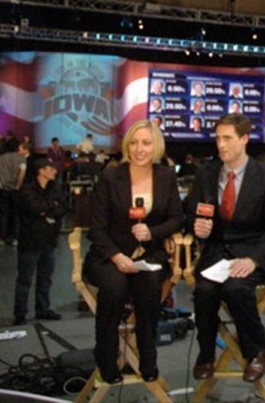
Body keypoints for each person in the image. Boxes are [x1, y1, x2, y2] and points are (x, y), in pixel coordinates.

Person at [188, 113, 265, 383]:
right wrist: (198, 227)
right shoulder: (206, 173)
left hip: (254, 252)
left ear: (244, 139)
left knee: (236, 289)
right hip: (216, 252)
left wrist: (254, 260)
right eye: (218, 138)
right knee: (205, 291)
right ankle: (206, 354)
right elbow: (190, 213)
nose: (220, 145)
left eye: (227, 138)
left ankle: (256, 351)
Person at [84, 120, 183, 384]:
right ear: (128, 145)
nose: (140, 149)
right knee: (114, 287)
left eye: (146, 143)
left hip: (149, 255)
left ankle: (147, 356)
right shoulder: (110, 177)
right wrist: (117, 257)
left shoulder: (166, 176)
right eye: (135, 142)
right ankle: (106, 357)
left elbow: (176, 219)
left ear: (156, 146)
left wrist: (153, 232)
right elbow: (96, 228)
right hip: (109, 255)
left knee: (149, 284)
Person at [13, 156, 67, 324]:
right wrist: (51, 207)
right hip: (30, 242)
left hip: (49, 241)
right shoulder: (27, 190)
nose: (54, 171)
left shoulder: (55, 189)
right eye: (50, 169)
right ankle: (20, 313)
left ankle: (43, 308)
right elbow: (34, 208)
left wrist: (47, 210)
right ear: (40, 171)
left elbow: (63, 208)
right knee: (25, 280)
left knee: (45, 278)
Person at [0, 142, 29, 246]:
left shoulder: (1, 158)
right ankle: (15, 238)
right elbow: (22, 173)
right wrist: (18, 185)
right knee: (16, 214)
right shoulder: (21, 158)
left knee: (3, 213)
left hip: (3, 188)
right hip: (16, 190)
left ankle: (2, 237)